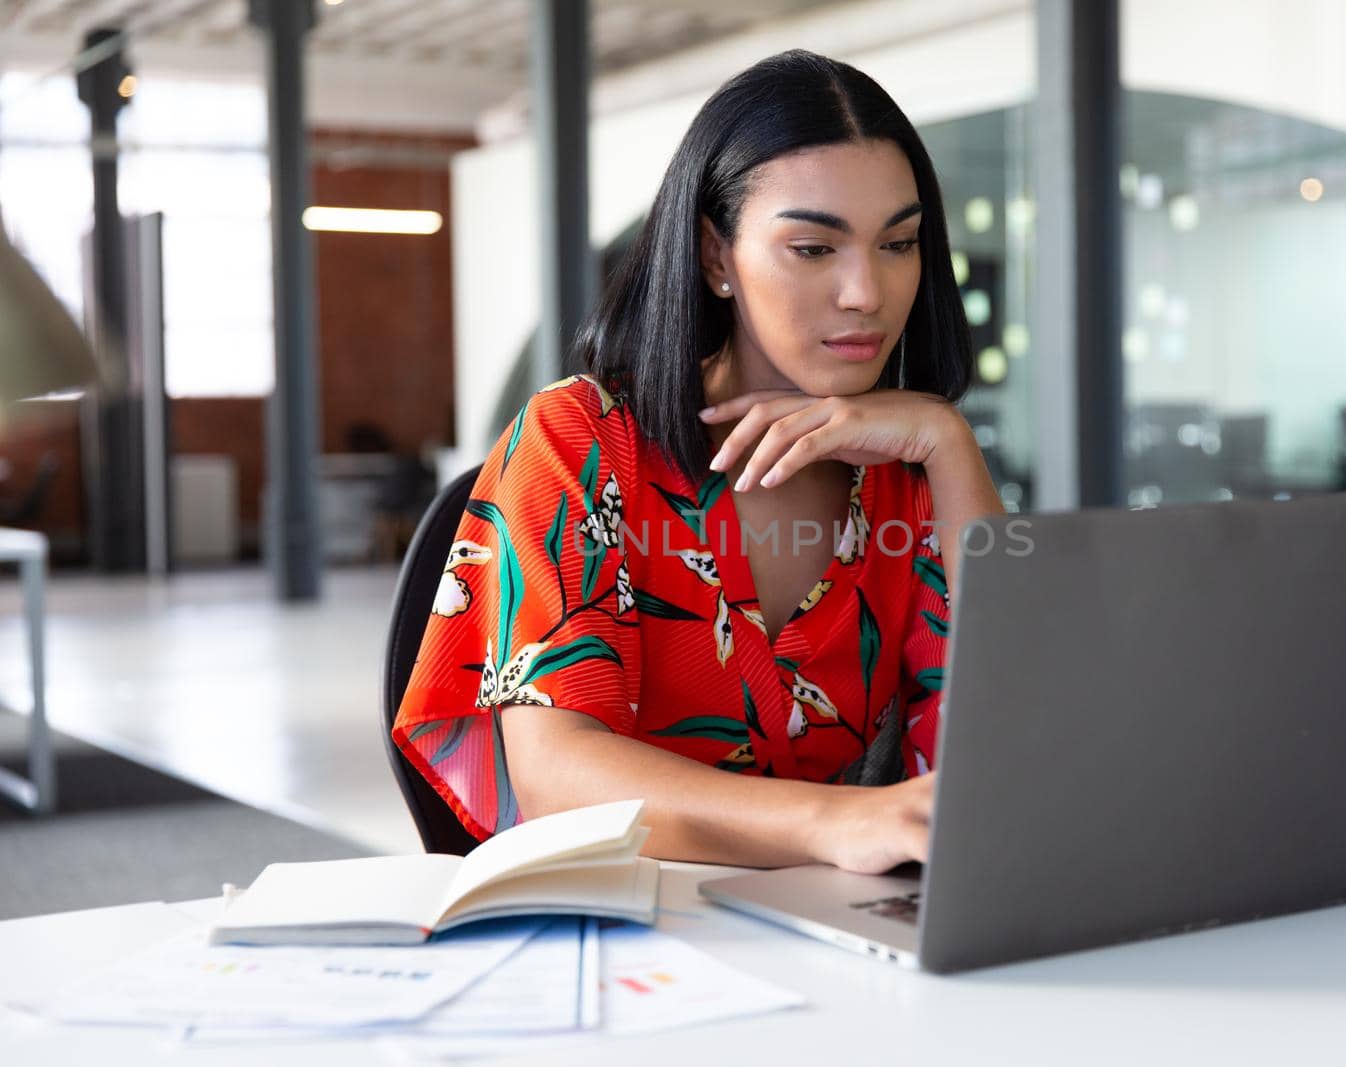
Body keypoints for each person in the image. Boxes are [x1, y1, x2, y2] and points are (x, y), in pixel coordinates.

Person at [394, 50, 1003, 875]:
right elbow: (554, 774)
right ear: (717, 256)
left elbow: (1013, 742)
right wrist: (835, 821)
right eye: (814, 249)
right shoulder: (583, 439)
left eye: (898, 243)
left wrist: (948, 444)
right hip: (632, 940)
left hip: (842, 943)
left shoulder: (908, 470)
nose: (867, 290)